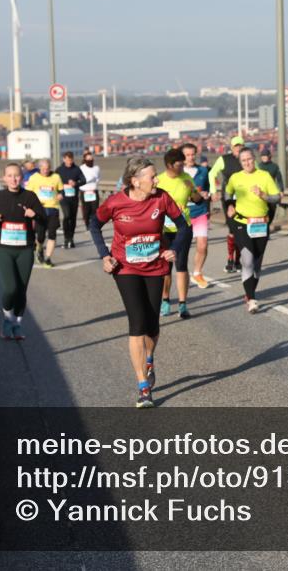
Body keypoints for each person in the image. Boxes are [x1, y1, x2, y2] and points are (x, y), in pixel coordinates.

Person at [89, 157, 189, 408]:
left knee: (152, 325)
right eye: (151, 177)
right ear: (135, 181)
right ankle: (143, 387)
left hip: (156, 267)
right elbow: (94, 223)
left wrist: (174, 248)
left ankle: (149, 357)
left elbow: (183, 226)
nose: (156, 180)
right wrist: (105, 255)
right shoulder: (115, 203)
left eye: (155, 176)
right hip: (126, 268)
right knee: (137, 323)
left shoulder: (161, 198)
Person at [0, 163, 47, 340]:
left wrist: (34, 215)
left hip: (25, 249)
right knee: (10, 288)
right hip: (4, 249)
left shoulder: (30, 196)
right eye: (10, 175)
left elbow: (44, 218)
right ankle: (7, 319)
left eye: (17, 176)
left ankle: (17, 325)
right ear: (4, 178)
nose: (14, 179)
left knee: (21, 289)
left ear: (22, 177)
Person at [224, 147, 281, 313]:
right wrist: (229, 206)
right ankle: (251, 299)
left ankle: (250, 292)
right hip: (242, 222)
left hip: (261, 224)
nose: (247, 163)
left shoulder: (264, 176)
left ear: (254, 159)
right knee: (247, 260)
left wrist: (264, 195)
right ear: (240, 162)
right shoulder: (235, 178)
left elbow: (277, 197)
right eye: (243, 160)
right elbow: (228, 193)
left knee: (256, 264)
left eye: (249, 159)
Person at [157, 147, 203, 319]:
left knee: (181, 265)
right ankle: (165, 301)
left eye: (184, 163)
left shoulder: (186, 178)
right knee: (165, 267)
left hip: (183, 228)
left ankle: (183, 305)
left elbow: (197, 199)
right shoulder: (158, 181)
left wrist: (197, 193)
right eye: (179, 164)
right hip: (163, 229)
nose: (183, 167)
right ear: (169, 165)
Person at [210, 136, 245, 273]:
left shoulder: (247, 159)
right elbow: (211, 174)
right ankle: (230, 259)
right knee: (232, 230)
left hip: (245, 199)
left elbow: (258, 174)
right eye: (236, 146)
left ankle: (238, 261)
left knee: (241, 230)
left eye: (240, 146)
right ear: (231, 147)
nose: (238, 148)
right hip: (229, 199)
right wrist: (213, 191)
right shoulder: (224, 159)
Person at [182, 143, 212, 289]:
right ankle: (182, 273)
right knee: (181, 248)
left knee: (203, 245)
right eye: (187, 155)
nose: (191, 157)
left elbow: (207, 190)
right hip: (182, 214)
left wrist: (206, 195)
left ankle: (197, 272)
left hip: (200, 212)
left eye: (193, 154)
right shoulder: (177, 173)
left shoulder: (203, 171)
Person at [25, 159, 63, 268]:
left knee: (52, 234)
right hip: (39, 210)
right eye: (43, 169)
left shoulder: (56, 177)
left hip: (53, 209)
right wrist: (33, 203)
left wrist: (60, 195)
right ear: (39, 168)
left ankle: (47, 259)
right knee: (40, 236)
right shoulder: (34, 178)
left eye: (48, 168)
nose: (46, 171)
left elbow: (61, 190)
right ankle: (39, 248)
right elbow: (28, 194)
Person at [57, 151, 87, 249]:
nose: (69, 162)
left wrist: (76, 183)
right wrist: (58, 192)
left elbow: (83, 180)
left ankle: (71, 239)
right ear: (64, 159)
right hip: (63, 198)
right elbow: (54, 182)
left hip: (73, 198)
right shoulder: (59, 170)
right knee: (67, 216)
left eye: (71, 160)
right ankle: (66, 238)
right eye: (67, 159)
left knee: (73, 218)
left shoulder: (77, 169)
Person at [258, 148, 285, 225]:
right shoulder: (258, 166)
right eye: (262, 156)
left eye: (265, 156)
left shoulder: (274, 167)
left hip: (271, 192)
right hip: (261, 192)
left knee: (272, 209)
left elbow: (279, 179)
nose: (264, 157)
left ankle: (268, 224)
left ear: (269, 156)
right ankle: (263, 226)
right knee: (263, 210)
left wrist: (281, 190)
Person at [80, 150, 101, 230]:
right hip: (84, 191)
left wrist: (94, 184)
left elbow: (98, 178)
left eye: (91, 159)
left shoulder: (96, 168)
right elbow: (79, 178)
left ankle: (94, 224)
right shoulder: (81, 168)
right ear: (85, 160)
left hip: (93, 191)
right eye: (88, 159)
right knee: (86, 209)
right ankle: (87, 223)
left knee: (95, 209)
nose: (90, 161)